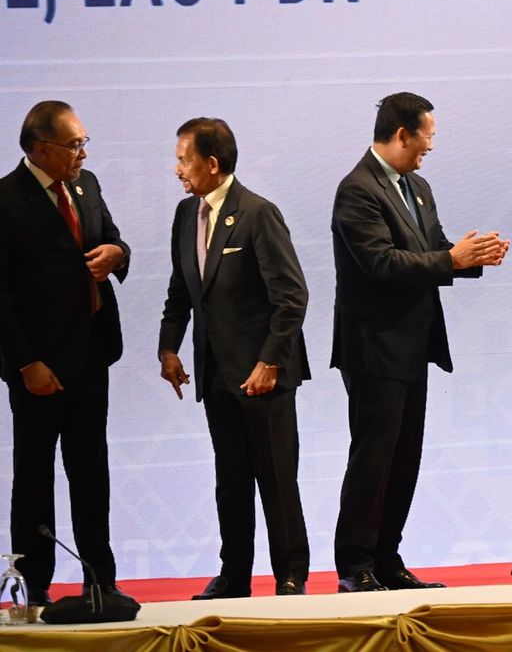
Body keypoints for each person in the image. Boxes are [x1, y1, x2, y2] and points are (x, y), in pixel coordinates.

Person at [331, 92, 509, 592]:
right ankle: (355, 565)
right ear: (403, 134)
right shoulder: (357, 190)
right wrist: (451, 259)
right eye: (426, 138)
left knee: (405, 456)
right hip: (373, 347)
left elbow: (433, 249)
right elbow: (382, 263)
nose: (430, 148)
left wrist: (474, 256)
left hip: (412, 344)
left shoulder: (418, 186)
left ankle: (387, 559)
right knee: (374, 457)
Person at [158, 117, 311, 598]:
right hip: (216, 374)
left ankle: (290, 575)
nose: (177, 168)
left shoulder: (258, 213)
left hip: (263, 376)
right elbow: (181, 291)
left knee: (277, 482)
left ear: (212, 163)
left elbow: (292, 297)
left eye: (184, 159)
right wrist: (167, 347)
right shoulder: (187, 215)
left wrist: (270, 362)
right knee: (231, 481)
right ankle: (234, 575)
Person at [0, 101, 130, 605]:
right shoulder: (7, 200)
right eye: (73, 144)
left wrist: (119, 254)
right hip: (40, 367)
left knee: (91, 471)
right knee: (34, 478)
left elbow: (112, 239)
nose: (82, 152)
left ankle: (102, 580)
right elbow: (2, 295)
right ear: (39, 148)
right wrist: (26, 363)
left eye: (84, 142)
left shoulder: (87, 184)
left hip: (91, 355)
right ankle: (34, 589)